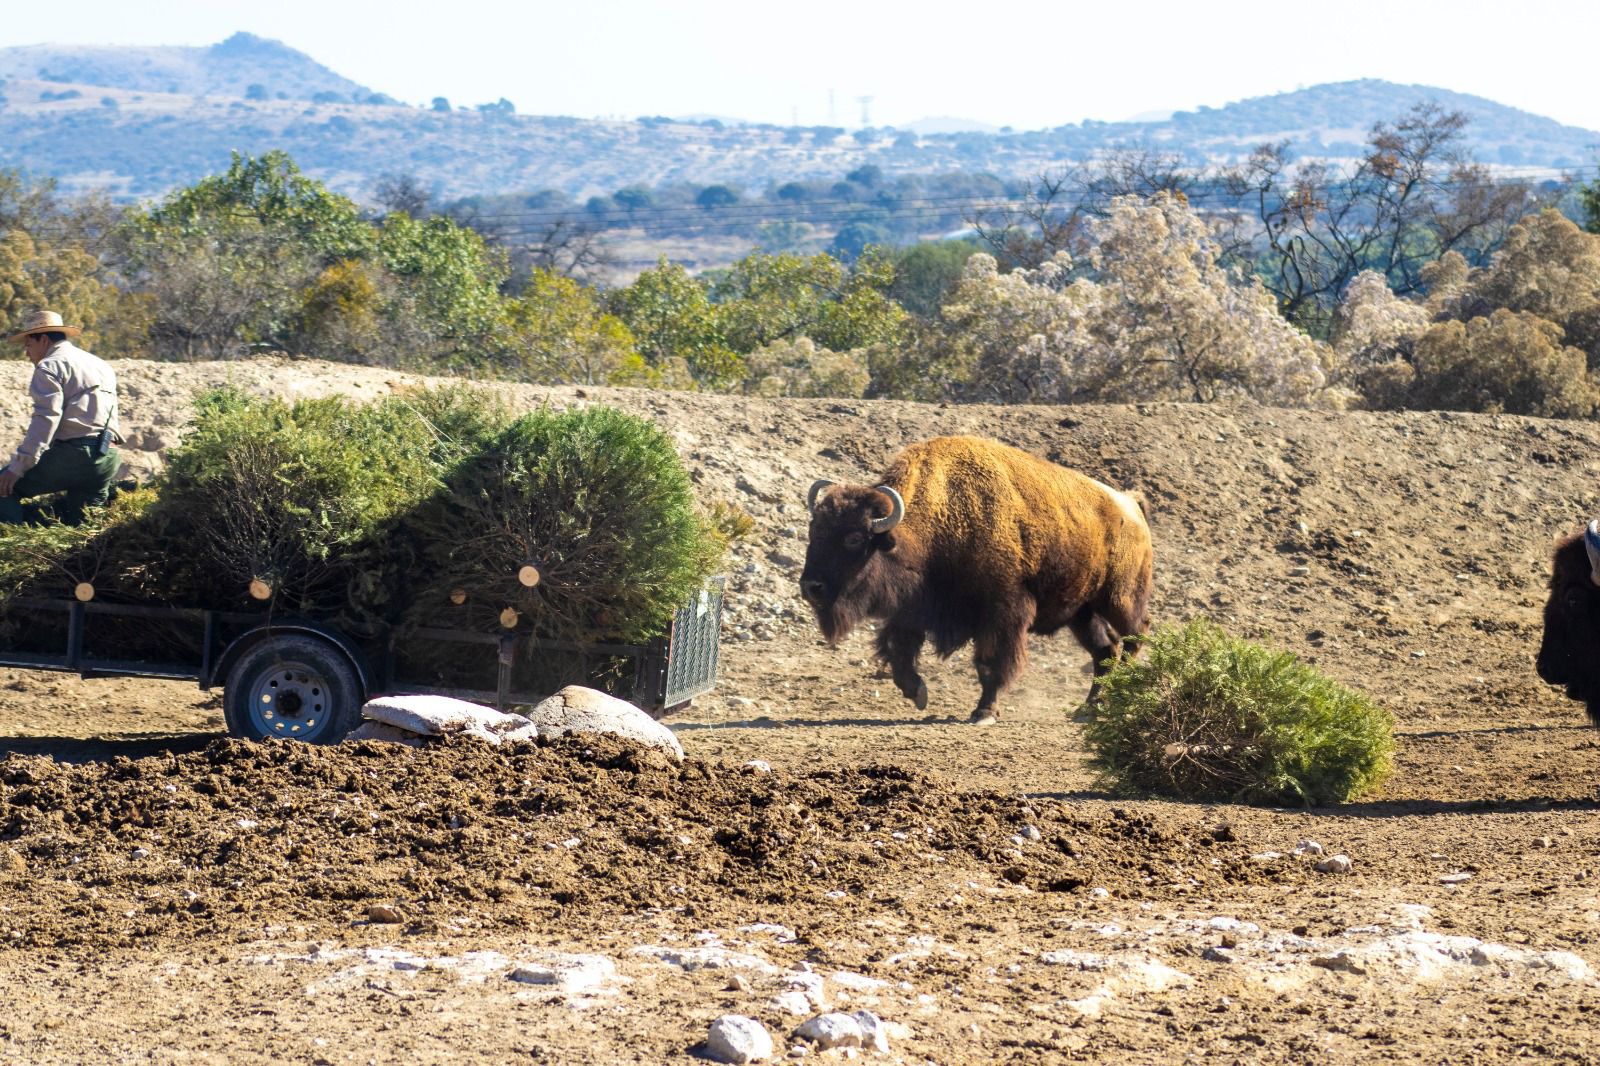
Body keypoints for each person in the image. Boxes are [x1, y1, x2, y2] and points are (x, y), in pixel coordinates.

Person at [0, 310, 123, 526]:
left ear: (44, 339)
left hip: (74, 455)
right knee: (85, 529)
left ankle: (14, 551)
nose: (27, 353)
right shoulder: (101, 364)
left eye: (28, 345)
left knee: (2, 487)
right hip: (108, 456)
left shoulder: (49, 366)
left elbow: (46, 418)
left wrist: (17, 467)